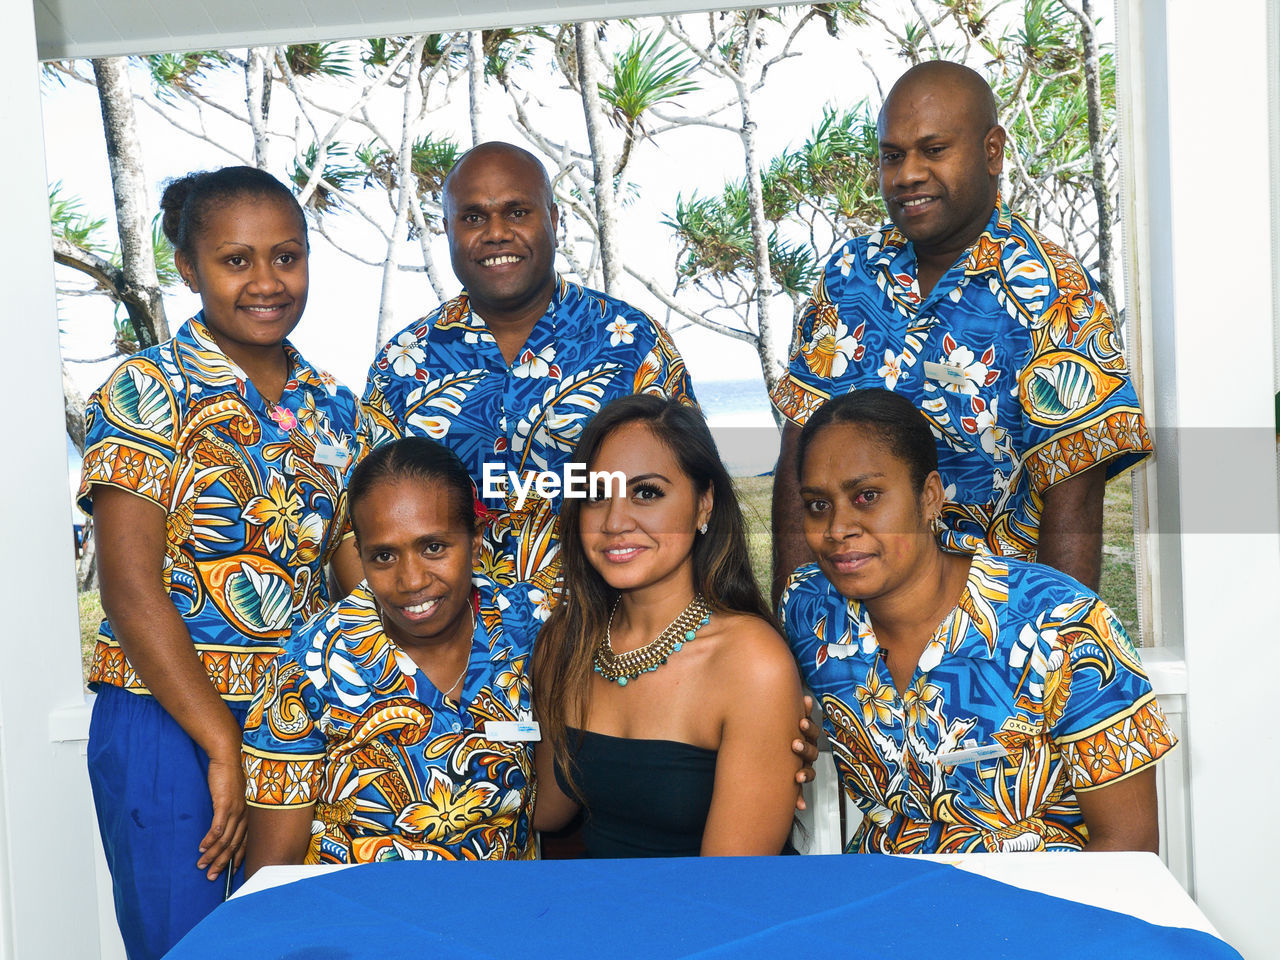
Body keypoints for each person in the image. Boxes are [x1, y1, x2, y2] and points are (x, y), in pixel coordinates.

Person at [79, 167, 360, 958]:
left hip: (301, 723)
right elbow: (131, 594)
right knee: (190, 947)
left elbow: (356, 587)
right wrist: (220, 744)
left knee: (300, 945)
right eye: (238, 260)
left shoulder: (338, 410)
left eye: (288, 256)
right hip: (168, 722)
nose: (267, 282)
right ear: (189, 269)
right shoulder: (146, 390)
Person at [771, 61, 1152, 603]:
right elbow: (797, 463)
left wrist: (1051, 655)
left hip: (984, 641)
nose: (907, 175)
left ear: (992, 151)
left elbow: (1075, 501)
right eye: (892, 156)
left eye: (933, 150)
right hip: (844, 635)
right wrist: (795, 631)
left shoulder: (1054, 294)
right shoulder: (847, 277)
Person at [779, 389, 1176, 854]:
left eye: (866, 497)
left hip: (1042, 907)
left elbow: (1129, 843)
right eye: (817, 505)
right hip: (880, 902)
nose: (837, 528)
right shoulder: (808, 610)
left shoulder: (1063, 623)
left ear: (929, 498)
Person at [361, 141, 695, 597]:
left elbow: (688, 496)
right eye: (473, 217)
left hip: (611, 635)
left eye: (517, 212)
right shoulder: (400, 364)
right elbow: (370, 521)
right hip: (457, 647)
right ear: (446, 230)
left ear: (555, 222)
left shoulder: (633, 343)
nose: (496, 233)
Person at [242, 438, 541, 870]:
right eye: (383, 556)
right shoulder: (305, 671)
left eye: (433, 547)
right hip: (359, 927)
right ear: (360, 556)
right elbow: (272, 870)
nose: (411, 580)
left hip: (503, 919)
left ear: (475, 542)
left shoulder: (527, 629)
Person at [534, 395, 804, 857]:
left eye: (647, 493)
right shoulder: (567, 641)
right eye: (596, 496)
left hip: (711, 921)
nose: (615, 522)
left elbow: (729, 887)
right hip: (593, 916)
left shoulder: (751, 663)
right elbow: (547, 812)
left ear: (704, 505)